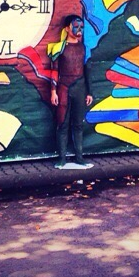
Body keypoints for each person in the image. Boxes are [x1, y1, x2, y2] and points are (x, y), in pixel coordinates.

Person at [49, 14, 94, 169]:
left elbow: (87, 71)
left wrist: (89, 92)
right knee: (62, 124)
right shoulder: (59, 48)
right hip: (64, 88)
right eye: (76, 26)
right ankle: (62, 159)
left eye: (81, 27)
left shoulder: (84, 48)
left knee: (78, 124)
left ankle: (79, 158)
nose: (79, 29)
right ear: (67, 29)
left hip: (80, 88)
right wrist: (53, 91)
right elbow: (54, 71)